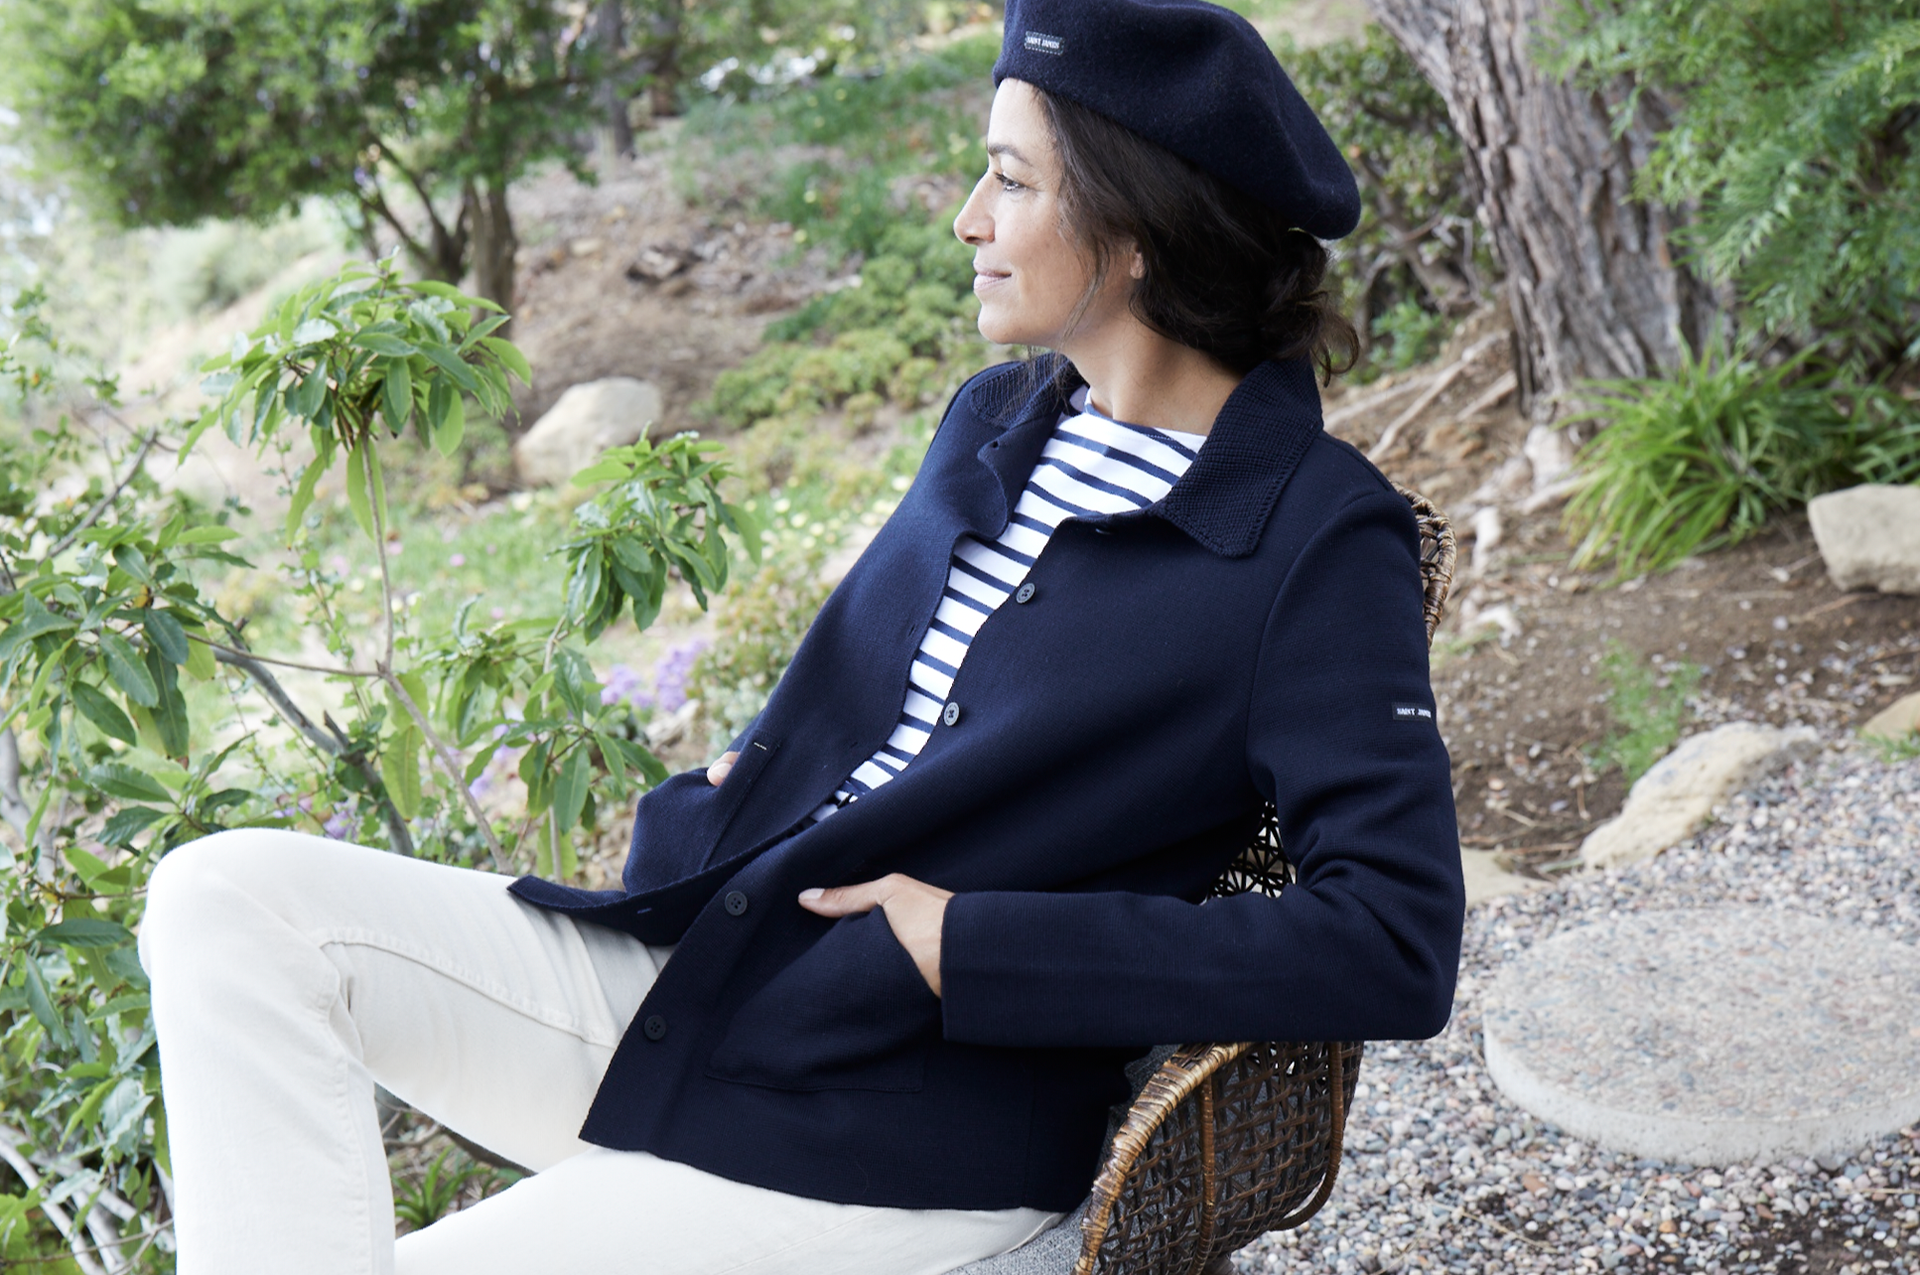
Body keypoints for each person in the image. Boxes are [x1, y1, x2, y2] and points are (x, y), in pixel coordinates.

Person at [136, 1, 1465, 1271]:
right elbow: (890, 704)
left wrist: (966, 942)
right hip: (717, 978)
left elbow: (1393, 937)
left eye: (1010, 181)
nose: (967, 217)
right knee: (225, 903)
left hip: (902, 1117)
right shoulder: (1001, 420)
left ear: (1139, 231)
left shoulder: (1314, 538)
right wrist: (740, 788)